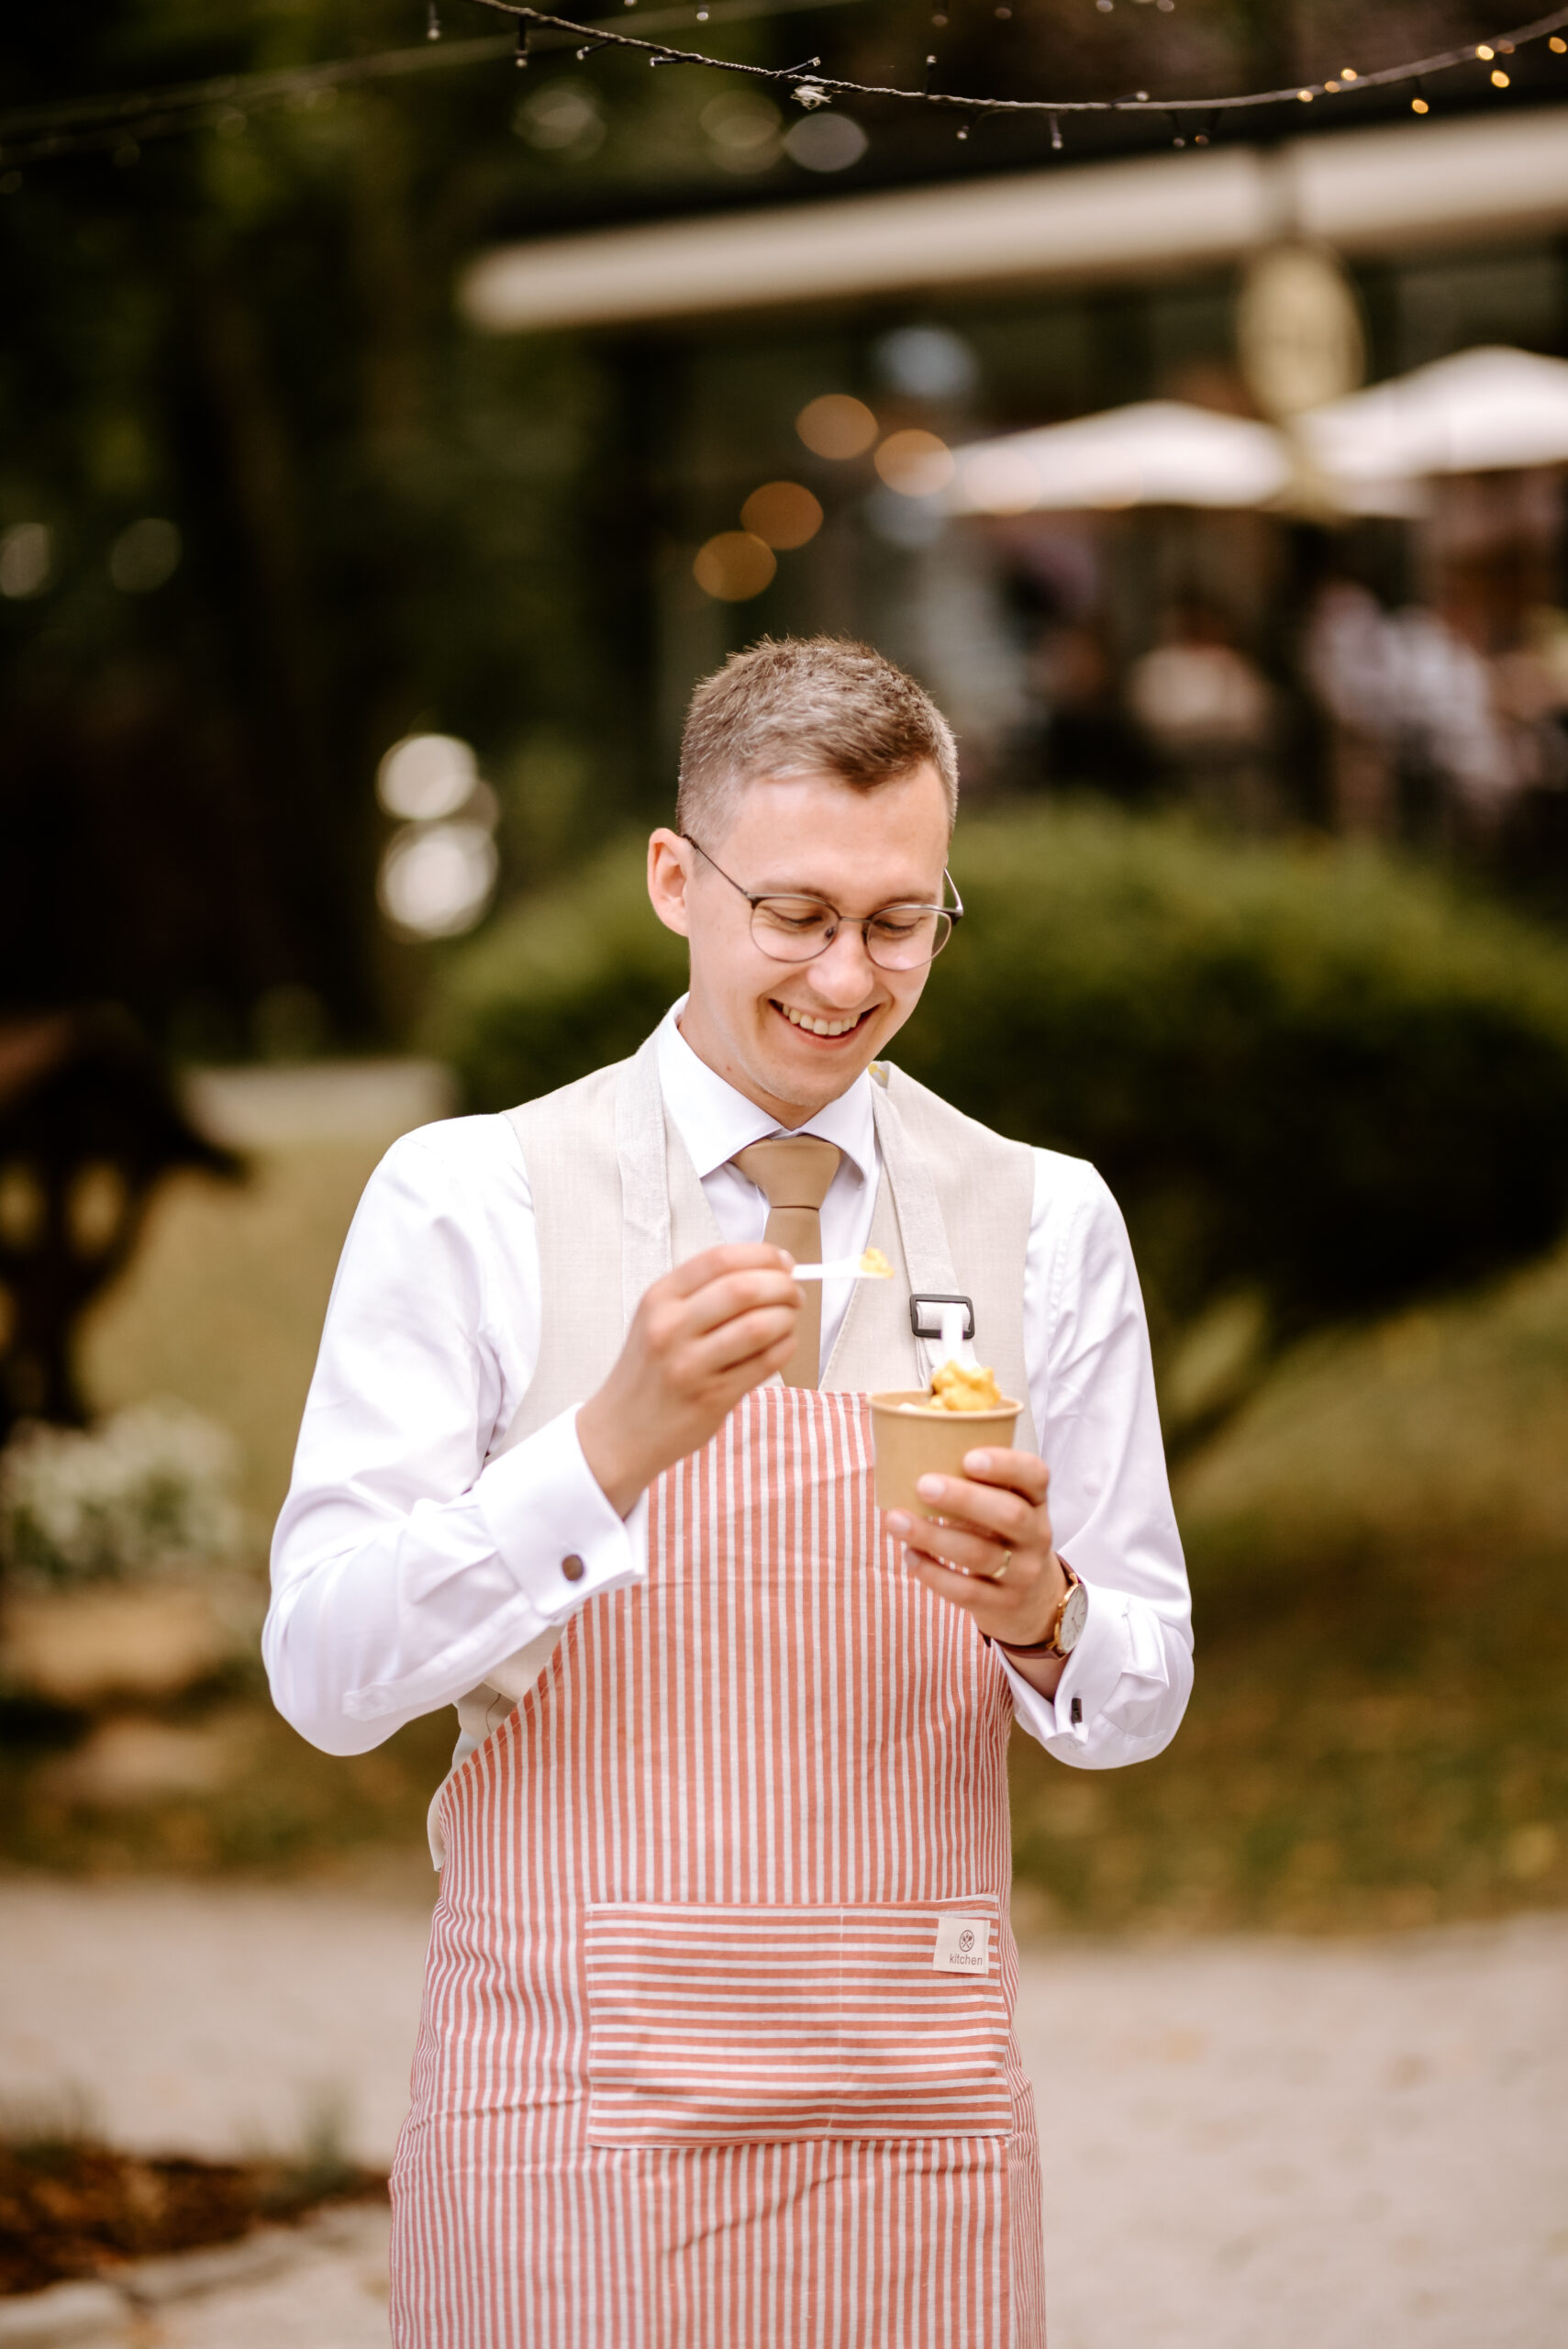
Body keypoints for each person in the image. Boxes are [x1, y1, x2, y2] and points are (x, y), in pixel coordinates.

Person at [264, 637, 1192, 2348]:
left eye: (900, 921)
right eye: (796, 914)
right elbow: (324, 1673)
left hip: (914, 2109)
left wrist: (1044, 1617)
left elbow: (1140, 1694)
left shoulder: (1045, 1221)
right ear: (675, 881)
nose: (846, 976)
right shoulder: (469, 1200)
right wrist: (603, 1446)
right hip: (566, 2125)